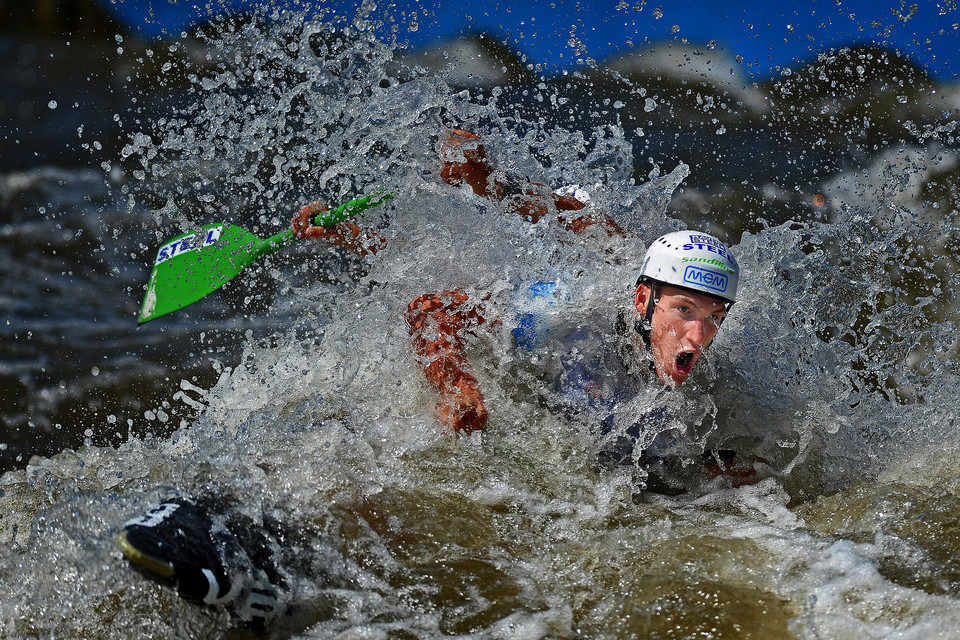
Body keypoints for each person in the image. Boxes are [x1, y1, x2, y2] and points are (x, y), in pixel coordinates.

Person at [115, 128, 752, 625]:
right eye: (683, 312)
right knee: (400, 467)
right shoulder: (567, 310)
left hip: (564, 469)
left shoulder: (704, 380)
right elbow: (432, 306)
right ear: (642, 302)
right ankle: (224, 533)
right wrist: (454, 383)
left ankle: (286, 588)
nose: (697, 337)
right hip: (492, 404)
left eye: (713, 319)